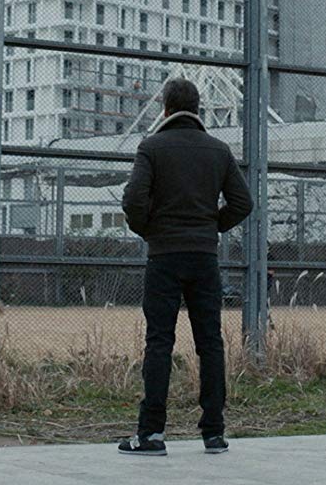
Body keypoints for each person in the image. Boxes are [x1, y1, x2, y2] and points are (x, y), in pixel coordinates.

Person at [117, 78, 253, 457]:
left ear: (165, 109)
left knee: (159, 341)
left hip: (164, 257)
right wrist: (212, 226)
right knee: (210, 342)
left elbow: (133, 200)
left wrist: (150, 230)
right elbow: (243, 202)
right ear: (198, 109)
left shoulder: (151, 147)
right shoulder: (219, 150)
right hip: (204, 257)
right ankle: (214, 432)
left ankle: (151, 434)